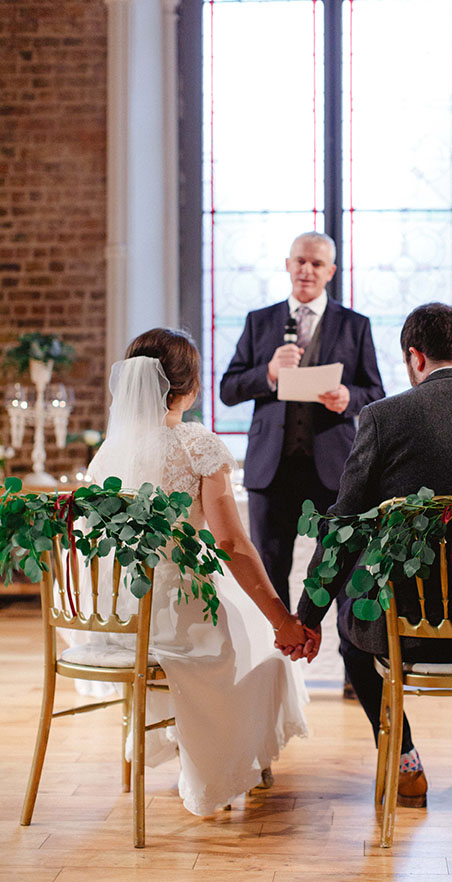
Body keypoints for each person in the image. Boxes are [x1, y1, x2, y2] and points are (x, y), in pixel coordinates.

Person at [291, 302, 452, 812]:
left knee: (352, 632)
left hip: (402, 633)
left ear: (415, 357)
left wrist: (309, 617)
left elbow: (343, 526)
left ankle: (405, 762)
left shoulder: (384, 419)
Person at [82, 328, 311, 816]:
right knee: (263, 647)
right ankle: (238, 757)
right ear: (189, 388)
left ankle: (204, 748)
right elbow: (229, 542)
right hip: (182, 620)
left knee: (247, 631)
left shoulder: (107, 453)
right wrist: (282, 620)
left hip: (120, 620)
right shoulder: (196, 444)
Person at [220, 231, 385, 611]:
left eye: (316, 264)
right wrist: (270, 372)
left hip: (333, 471)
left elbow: (375, 392)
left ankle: (354, 671)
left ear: (331, 271)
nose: (306, 270)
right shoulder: (259, 321)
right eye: (300, 261)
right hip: (271, 470)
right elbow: (228, 389)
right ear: (288, 265)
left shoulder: (354, 325)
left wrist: (349, 398)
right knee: (268, 575)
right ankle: (275, 667)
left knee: (342, 569)